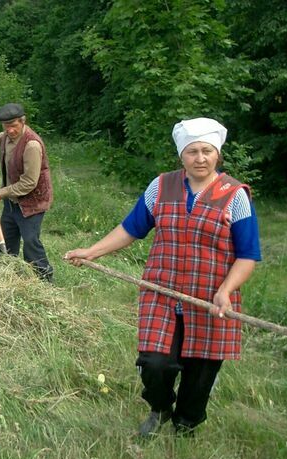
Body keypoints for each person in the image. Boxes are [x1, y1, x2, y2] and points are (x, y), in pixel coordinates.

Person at [64, 117, 261, 438]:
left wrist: (226, 290)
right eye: (193, 151)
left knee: (200, 375)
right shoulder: (161, 187)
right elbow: (131, 229)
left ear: (217, 155)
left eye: (207, 151)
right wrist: (92, 251)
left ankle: (186, 424)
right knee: (155, 364)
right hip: (162, 294)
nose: (200, 158)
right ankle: (160, 408)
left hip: (211, 300)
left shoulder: (234, 196)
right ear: (181, 155)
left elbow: (248, 255)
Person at [0, 103, 54, 282]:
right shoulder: (8, 135)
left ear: (23, 122)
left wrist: (0, 193)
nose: (9, 130)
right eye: (6, 126)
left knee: (31, 242)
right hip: (12, 201)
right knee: (7, 240)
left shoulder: (31, 145)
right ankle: (4, 277)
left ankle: (45, 281)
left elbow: (29, 182)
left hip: (32, 202)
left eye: (13, 126)